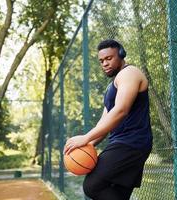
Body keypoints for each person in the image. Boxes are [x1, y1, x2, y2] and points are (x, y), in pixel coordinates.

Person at [63, 39, 153, 200]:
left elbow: (121, 110)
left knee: (92, 185)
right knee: (117, 193)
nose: (104, 63)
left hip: (132, 143)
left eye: (109, 58)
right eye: (101, 61)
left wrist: (85, 137)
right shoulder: (112, 87)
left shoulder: (130, 73)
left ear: (121, 54)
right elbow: (104, 123)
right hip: (122, 142)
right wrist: (88, 144)